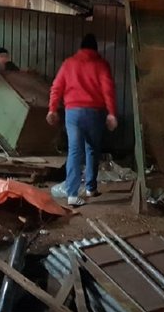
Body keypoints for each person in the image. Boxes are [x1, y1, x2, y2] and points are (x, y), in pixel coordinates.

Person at [46, 34, 118, 207]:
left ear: (81, 47)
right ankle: (90, 188)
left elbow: (56, 87)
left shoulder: (68, 63)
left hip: (73, 113)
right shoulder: (101, 64)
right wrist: (112, 113)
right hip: (95, 113)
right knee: (92, 150)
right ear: (95, 49)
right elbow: (108, 89)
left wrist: (52, 109)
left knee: (74, 151)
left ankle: (72, 194)